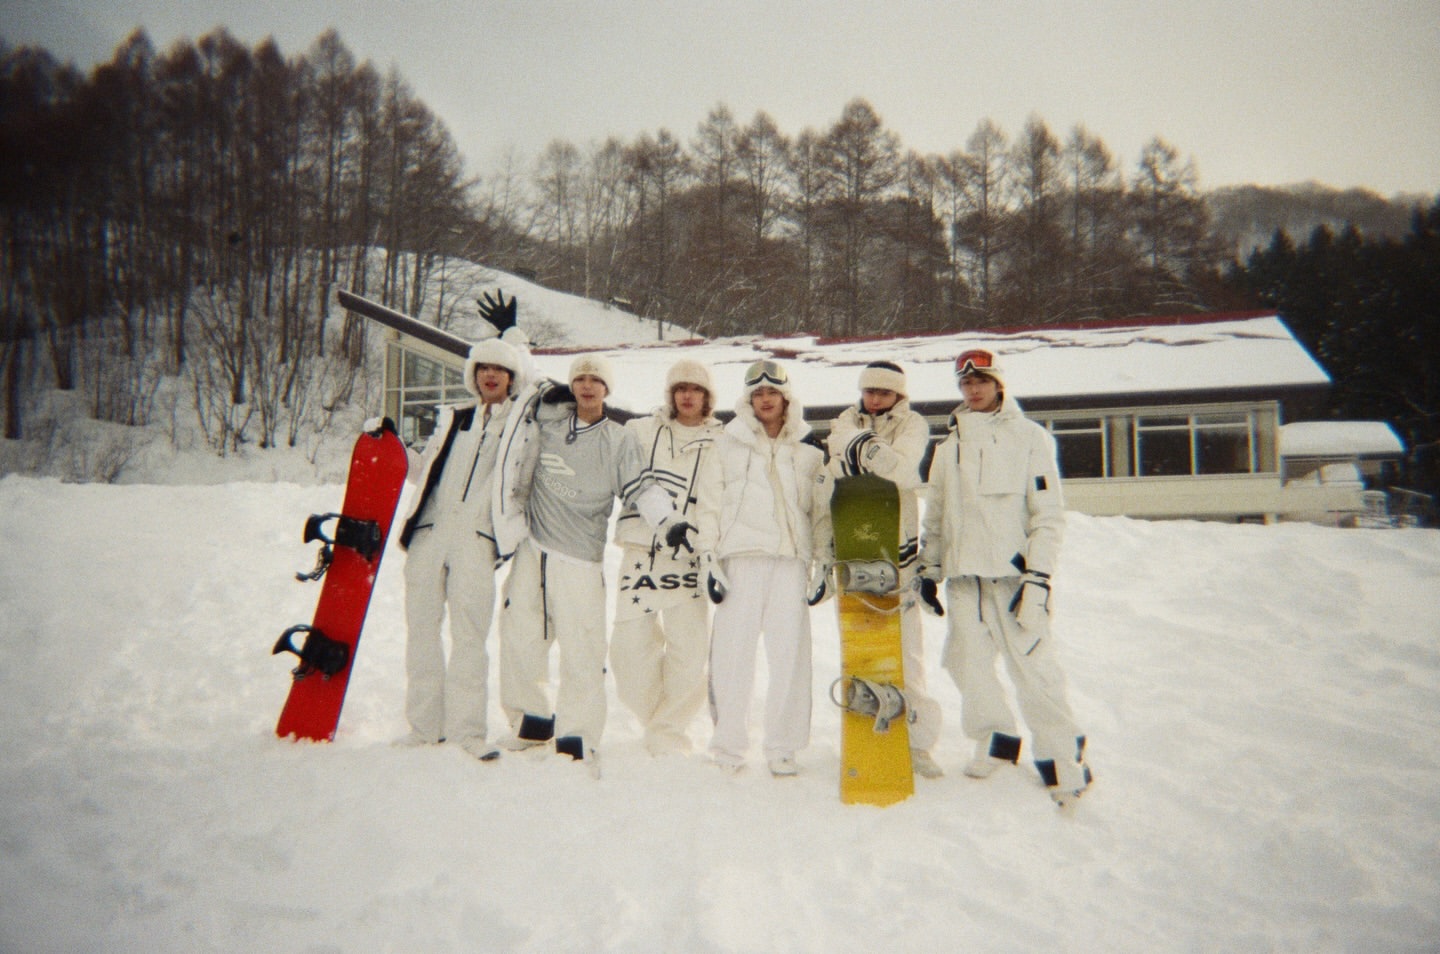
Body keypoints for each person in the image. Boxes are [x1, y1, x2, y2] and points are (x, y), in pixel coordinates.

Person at [919, 348, 1093, 807]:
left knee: (1032, 667)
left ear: (998, 384)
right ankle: (995, 739)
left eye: (981, 381)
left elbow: (1048, 514)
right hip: (965, 578)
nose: (973, 390)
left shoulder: (1029, 437)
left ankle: (1061, 754)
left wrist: (1038, 577)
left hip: (1014, 577)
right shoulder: (949, 446)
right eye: (966, 383)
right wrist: (930, 568)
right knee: (966, 662)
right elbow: (936, 512)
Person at [497, 353, 681, 776]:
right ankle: (530, 723)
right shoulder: (547, 425)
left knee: (582, 649)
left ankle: (577, 737)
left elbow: (642, 486)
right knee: (521, 637)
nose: (586, 386)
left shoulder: (618, 439)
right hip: (532, 549)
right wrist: (512, 340)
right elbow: (526, 383)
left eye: (595, 380)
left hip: (579, 559)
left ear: (606, 389)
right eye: (580, 378)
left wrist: (668, 521)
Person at [392, 292, 535, 761]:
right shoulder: (454, 419)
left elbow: (536, 386)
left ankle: (467, 731)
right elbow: (421, 472)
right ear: (472, 375)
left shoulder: (517, 424)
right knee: (421, 631)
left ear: (511, 377)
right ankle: (424, 727)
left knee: (470, 636)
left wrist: (513, 338)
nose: (491, 375)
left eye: (500, 369)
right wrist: (390, 444)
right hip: (431, 534)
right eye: (483, 368)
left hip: (476, 539)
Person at [694, 359, 832, 777]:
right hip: (741, 559)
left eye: (773, 392)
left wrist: (822, 561)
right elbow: (709, 504)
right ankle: (728, 746)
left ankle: (783, 746)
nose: (766, 400)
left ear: (786, 398)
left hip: (790, 563)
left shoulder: (808, 449)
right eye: (758, 394)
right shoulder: (725, 444)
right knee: (732, 656)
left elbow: (819, 512)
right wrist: (708, 558)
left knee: (790, 657)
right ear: (748, 400)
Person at [826, 360, 944, 779]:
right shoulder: (843, 419)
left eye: (883, 392)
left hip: (899, 554)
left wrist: (857, 451)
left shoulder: (914, 424)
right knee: (862, 651)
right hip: (856, 548)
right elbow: (835, 471)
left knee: (907, 654)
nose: (875, 399)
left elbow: (902, 472)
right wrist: (873, 455)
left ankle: (918, 742)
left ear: (898, 394)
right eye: (869, 391)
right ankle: (867, 734)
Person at [609, 359, 724, 756]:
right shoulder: (640, 430)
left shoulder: (724, 440)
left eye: (695, 389)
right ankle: (656, 720)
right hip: (642, 552)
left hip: (691, 556)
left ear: (707, 396)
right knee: (627, 649)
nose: (687, 395)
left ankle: (669, 732)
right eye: (680, 388)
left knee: (688, 653)